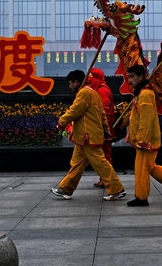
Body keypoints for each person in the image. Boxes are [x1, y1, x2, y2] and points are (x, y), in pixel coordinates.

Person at [50, 70, 126, 202]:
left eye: (70, 83)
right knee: (76, 164)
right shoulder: (94, 93)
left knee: (100, 163)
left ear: (76, 82)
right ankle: (66, 189)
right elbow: (102, 114)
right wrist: (106, 130)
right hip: (84, 137)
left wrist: (61, 122)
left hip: (87, 137)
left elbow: (75, 111)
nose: (69, 86)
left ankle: (117, 189)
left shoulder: (84, 93)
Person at [121, 64, 162, 207]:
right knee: (150, 167)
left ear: (141, 77)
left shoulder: (146, 94)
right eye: (129, 77)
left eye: (132, 77)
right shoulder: (140, 93)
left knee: (141, 169)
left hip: (146, 141)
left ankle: (141, 197)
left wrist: (143, 140)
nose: (130, 80)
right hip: (144, 139)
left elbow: (146, 119)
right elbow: (136, 115)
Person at [88, 68, 117, 188]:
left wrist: (103, 127)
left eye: (91, 80)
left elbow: (105, 110)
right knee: (103, 155)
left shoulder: (102, 90)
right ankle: (104, 178)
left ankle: (108, 180)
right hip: (102, 128)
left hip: (104, 129)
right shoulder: (100, 89)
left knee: (105, 155)